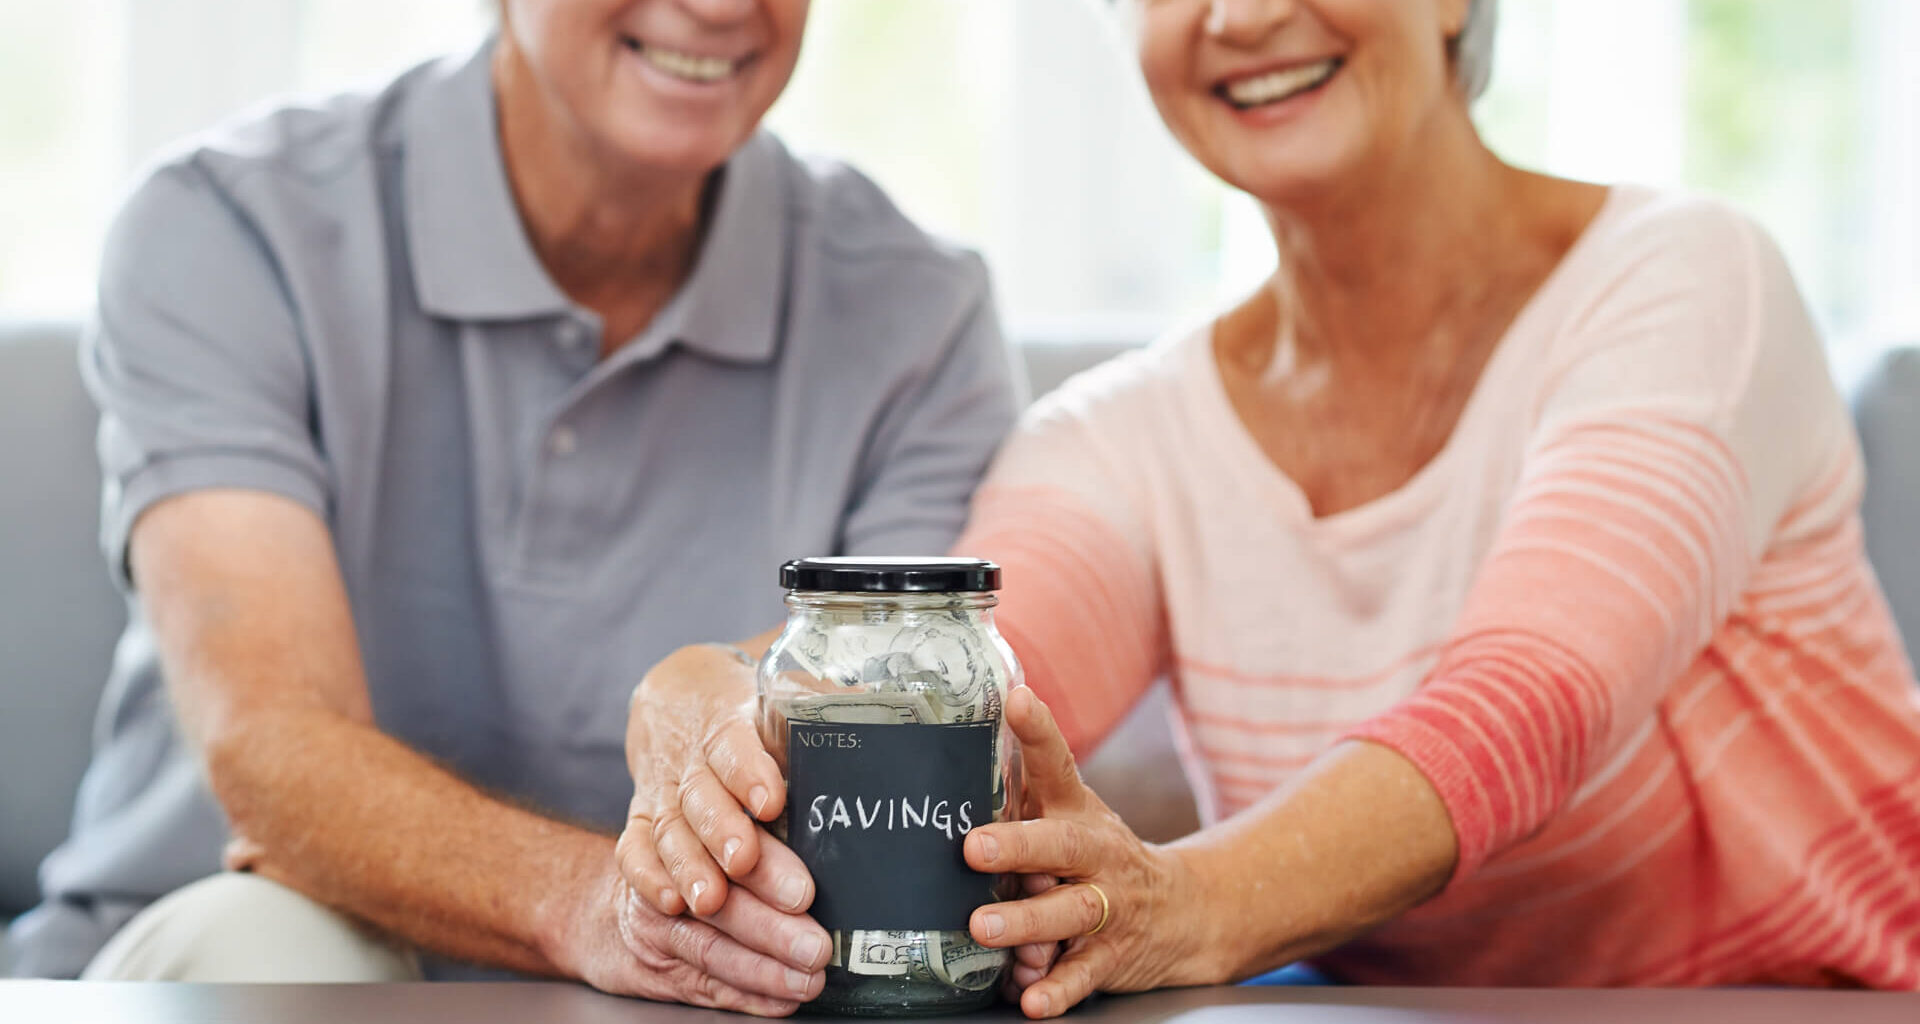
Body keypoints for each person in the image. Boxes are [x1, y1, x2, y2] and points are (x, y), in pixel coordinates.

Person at [621, 0, 1920, 1015]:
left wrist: (1182, 904)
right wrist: (724, 699)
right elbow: (977, 687)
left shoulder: (1688, 280)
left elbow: (1534, 702)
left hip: (1824, 999)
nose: (1239, 17)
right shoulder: (1122, 434)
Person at [5, 0, 1022, 1012]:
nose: (718, 8)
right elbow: (276, 747)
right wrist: (594, 908)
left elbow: (903, 697)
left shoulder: (921, 315)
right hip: (235, 945)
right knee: (282, 944)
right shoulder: (230, 228)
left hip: (685, 994)